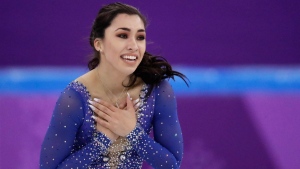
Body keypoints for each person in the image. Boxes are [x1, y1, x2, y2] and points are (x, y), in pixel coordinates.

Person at [40, 2, 188, 169]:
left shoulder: (157, 91)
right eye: (123, 35)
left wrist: (133, 132)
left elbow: (172, 165)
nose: (134, 46)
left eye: (140, 37)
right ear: (99, 44)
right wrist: (103, 140)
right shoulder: (74, 98)